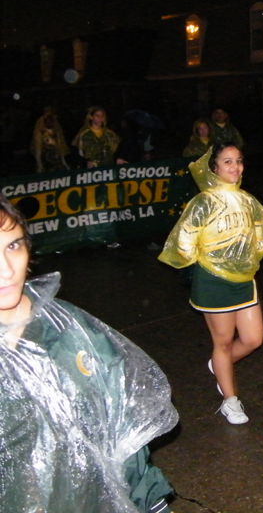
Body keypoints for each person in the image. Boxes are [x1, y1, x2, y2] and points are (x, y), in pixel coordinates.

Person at [0, 195, 178, 513]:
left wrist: (149, 500)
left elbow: (122, 423)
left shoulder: (69, 329)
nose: (6, 270)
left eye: (13, 246)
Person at [159, 143, 263, 424]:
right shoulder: (204, 201)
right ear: (215, 169)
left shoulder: (247, 200)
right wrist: (210, 255)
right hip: (213, 280)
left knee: (253, 339)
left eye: (238, 161)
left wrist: (248, 253)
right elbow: (184, 240)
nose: (235, 167)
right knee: (223, 342)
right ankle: (230, 400)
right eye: (227, 162)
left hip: (244, 280)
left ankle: (219, 365)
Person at [30, 106, 70, 172]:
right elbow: (38, 149)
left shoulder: (56, 132)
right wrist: (40, 165)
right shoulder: (40, 133)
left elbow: (61, 148)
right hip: (45, 159)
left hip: (56, 160)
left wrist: (64, 163)